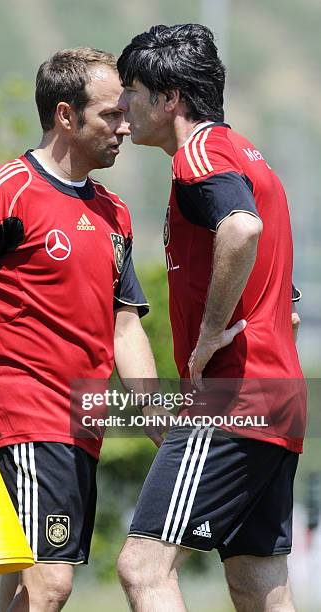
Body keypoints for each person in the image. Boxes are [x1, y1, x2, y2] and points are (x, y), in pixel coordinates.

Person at [0, 47, 157, 612]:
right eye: (111, 115)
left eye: (127, 113)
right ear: (66, 116)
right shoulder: (5, 191)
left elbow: (125, 325)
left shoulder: (114, 213)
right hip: (26, 414)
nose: (125, 127)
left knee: (22, 583)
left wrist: (157, 416)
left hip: (83, 423)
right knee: (50, 581)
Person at [116, 24, 305, 612]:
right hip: (280, 397)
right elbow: (288, 305)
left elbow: (241, 230)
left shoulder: (199, 154)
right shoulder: (247, 155)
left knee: (142, 566)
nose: (122, 106)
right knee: (257, 583)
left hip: (233, 397)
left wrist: (205, 339)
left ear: (169, 98)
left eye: (132, 90)